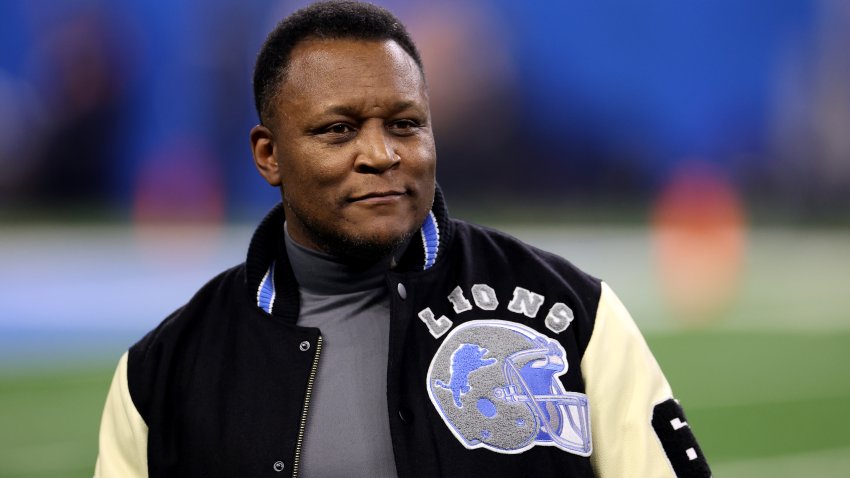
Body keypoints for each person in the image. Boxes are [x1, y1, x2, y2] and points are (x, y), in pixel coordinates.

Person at [95, 1, 711, 477]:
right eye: (339, 130)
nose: (382, 154)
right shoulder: (162, 373)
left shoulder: (572, 315)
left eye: (405, 124)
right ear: (268, 155)